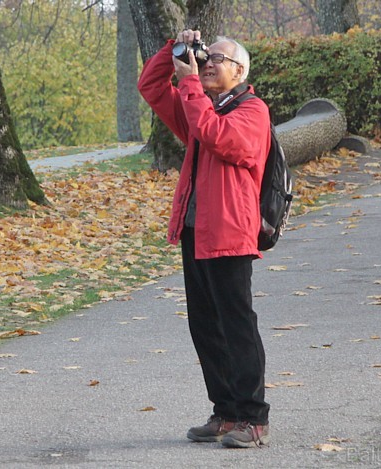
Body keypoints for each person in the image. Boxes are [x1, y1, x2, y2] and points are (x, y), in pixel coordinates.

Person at [138, 30, 271, 448]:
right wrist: (173, 49)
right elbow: (150, 86)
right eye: (204, 56)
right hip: (196, 231)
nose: (208, 62)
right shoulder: (200, 108)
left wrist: (191, 82)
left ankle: (252, 418)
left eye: (218, 58)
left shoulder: (253, 110)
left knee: (236, 324)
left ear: (240, 70)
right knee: (205, 326)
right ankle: (226, 412)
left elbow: (219, 137)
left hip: (231, 231)